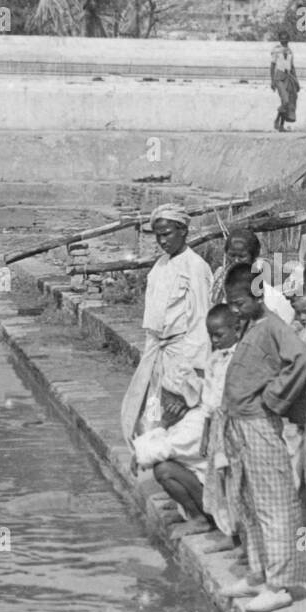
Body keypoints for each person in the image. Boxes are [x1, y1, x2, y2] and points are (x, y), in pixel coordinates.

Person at [217, 264, 306, 612]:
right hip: (238, 424)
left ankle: (281, 583)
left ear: (258, 296)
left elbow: (301, 358)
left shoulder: (273, 326)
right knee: (247, 500)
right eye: (232, 304)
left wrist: (275, 397)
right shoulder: (250, 326)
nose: (235, 310)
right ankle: (258, 572)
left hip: (259, 423)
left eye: (240, 302)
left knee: (274, 502)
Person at [120, 205, 213, 451]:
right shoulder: (159, 266)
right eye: (158, 235)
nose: (162, 240)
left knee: (174, 420)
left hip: (181, 357)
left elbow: (200, 323)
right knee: (147, 419)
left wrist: (188, 379)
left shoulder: (195, 267)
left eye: (167, 233)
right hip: (157, 356)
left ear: (183, 231)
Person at [131, 362, 208, 530]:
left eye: (166, 398)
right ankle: (186, 510)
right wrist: (164, 424)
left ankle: (200, 518)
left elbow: (162, 449)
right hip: (202, 483)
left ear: (178, 401)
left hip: (213, 495)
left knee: (164, 470)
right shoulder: (184, 418)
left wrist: (138, 454)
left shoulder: (196, 422)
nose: (163, 402)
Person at [201, 304, 242, 538]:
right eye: (211, 336)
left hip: (234, 424)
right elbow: (208, 401)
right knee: (219, 480)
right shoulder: (214, 360)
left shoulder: (240, 357)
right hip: (217, 424)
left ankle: (238, 535)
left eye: (219, 335)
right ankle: (228, 531)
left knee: (235, 479)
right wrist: (206, 434)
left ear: (235, 329)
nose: (215, 341)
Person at [211, 228, 294, 324]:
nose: (236, 261)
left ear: (254, 255)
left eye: (242, 256)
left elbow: (284, 312)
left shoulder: (268, 276)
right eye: (232, 255)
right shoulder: (220, 278)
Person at [270, 31, 299, 132]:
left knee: (287, 102)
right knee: (285, 101)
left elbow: (292, 67)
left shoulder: (290, 51)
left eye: (286, 38)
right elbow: (272, 65)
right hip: (279, 77)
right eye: (282, 38)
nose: (284, 40)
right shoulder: (276, 50)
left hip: (288, 77)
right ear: (279, 39)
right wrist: (272, 81)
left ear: (288, 39)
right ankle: (276, 120)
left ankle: (281, 126)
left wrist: (296, 81)